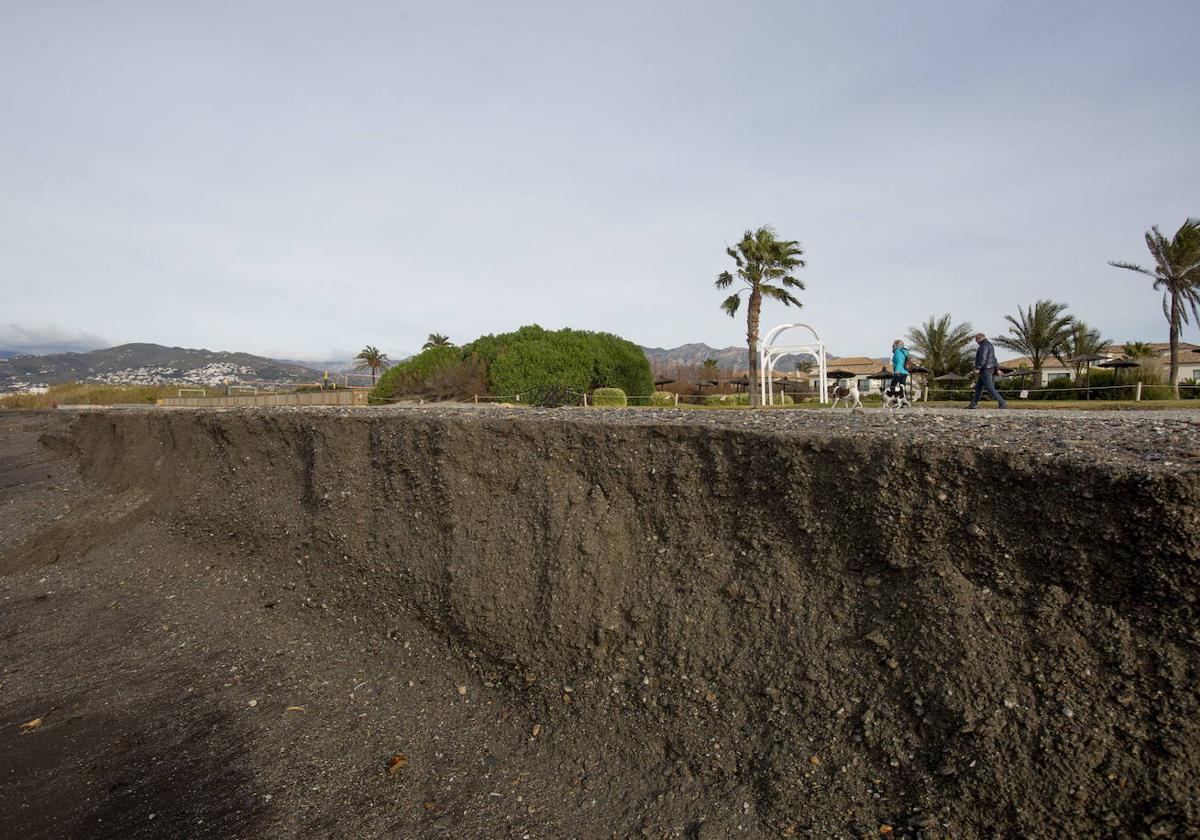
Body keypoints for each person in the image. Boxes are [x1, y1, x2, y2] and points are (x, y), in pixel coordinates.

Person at [968, 333, 1008, 409]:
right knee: (978, 388)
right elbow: (994, 359)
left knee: (990, 388)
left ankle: (1002, 402)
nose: (976, 341)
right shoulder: (990, 345)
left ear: (979, 338)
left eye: (976, 339)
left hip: (985, 370)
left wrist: (978, 368)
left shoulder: (984, 346)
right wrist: (997, 369)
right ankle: (973, 404)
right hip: (989, 369)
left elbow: (983, 358)